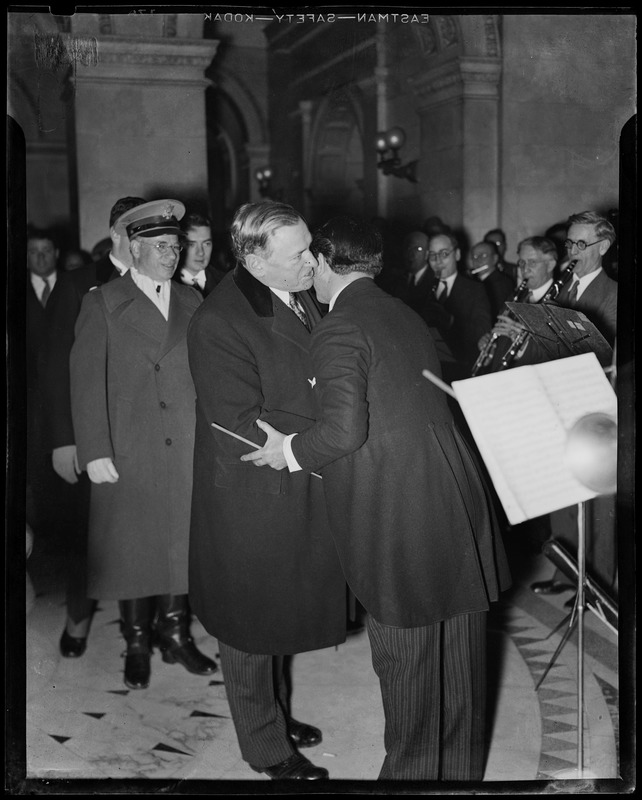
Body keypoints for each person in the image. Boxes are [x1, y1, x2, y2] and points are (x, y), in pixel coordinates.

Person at [242, 215, 511, 781]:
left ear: (327, 262)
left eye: (311, 255)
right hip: (452, 498)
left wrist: (288, 451)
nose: (305, 265)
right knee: (459, 661)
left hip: (399, 515)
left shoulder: (339, 327)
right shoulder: (401, 309)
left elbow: (343, 431)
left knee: (408, 668)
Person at [187, 201, 346, 781]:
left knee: (280, 609)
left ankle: (276, 715)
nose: (313, 260)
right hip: (254, 490)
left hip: (296, 475)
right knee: (249, 623)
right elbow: (237, 420)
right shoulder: (219, 321)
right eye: (298, 252)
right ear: (254, 258)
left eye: (309, 246)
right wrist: (331, 434)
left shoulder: (297, 291)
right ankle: (264, 746)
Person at [69, 199, 217, 689]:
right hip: (131, 447)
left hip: (187, 445)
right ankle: (136, 641)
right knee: (135, 549)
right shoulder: (103, 301)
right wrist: (94, 451)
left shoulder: (194, 301)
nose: (172, 255)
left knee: (181, 544)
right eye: (160, 247)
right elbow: (85, 382)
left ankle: (175, 634)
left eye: (176, 247)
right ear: (133, 247)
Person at [42, 196, 148, 657]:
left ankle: (138, 637)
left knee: (140, 536)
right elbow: (52, 368)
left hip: (143, 437)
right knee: (87, 540)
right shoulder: (77, 284)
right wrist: (65, 441)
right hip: (91, 435)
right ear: (119, 234)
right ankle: (79, 620)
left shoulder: (161, 284)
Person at [529, 211, 618, 598]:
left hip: (596, 411)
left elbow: (613, 356)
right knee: (561, 492)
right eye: (570, 243)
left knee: (595, 502)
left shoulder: (614, 292)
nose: (573, 251)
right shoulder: (562, 292)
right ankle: (566, 573)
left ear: (604, 247)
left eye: (581, 244)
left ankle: (595, 584)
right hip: (561, 404)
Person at [473, 235, 558, 376]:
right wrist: (492, 350)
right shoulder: (516, 297)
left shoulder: (560, 302)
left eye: (532, 262)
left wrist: (523, 344)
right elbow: (504, 343)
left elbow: (555, 357)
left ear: (550, 264)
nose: (525, 269)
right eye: (522, 263)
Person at [26, 226, 63, 535]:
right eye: (33, 252)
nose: (40, 258)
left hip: (64, 397)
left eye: (46, 251)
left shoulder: (71, 286)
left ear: (57, 254)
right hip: (28, 400)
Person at [426, 230, 493, 381]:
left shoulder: (475, 290)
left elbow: (482, 332)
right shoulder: (423, 290)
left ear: (457, 255)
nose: (438, 261)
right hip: (431, 370)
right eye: (432, 255)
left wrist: (451, 322)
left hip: (463, 370)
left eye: (444, 254)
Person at [175, 212, 226, 296]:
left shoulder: (226, 283)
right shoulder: (168, 283)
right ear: (180, 245)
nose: (201, 252)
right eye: (192, 244)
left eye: (206, 244)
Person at [467, 240, 516, 318]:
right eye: (474, 257)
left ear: (495, 258)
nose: (478, 260)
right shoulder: (472, 281)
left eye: (483, 256)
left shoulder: (503, 283)